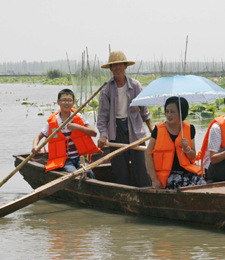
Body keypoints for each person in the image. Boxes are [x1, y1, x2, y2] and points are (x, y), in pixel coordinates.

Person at [97, 50, 153, 187]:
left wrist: (152, 128)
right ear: (110, 68)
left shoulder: (135, 86)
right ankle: (125, 192)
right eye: (114, 66)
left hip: (135, 129)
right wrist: (103, 135)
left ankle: (145, 191)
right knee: (120, 168)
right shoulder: (106, 90)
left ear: (125, 66)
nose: (117, 68)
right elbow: (102, 117)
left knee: (140, 165)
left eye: (120, 65)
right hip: (116, 130)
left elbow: (144, 111)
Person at [32, 89, 99, 178]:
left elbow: (94, 133)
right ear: (58, 102)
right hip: (64, 160)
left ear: (73, 102)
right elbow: (38, 136)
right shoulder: (53, 122)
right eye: (63, 100)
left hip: (80, 158)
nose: (66, 103)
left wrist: (78, 127)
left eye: (69, 100)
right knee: (74, 174)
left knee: (89, 173)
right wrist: (35, 146)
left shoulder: (78, 117)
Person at [146, 96, 205, 189]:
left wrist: (187, 148)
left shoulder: (190, 129)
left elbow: (192, 156)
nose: (169, 115)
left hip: (187, 171)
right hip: (167, 175)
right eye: (167, 111)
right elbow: (148, 154)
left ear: (182, 113)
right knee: (186, 187)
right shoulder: (158, 129)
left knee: (202, 184)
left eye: (172, 112)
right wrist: (154, 179)